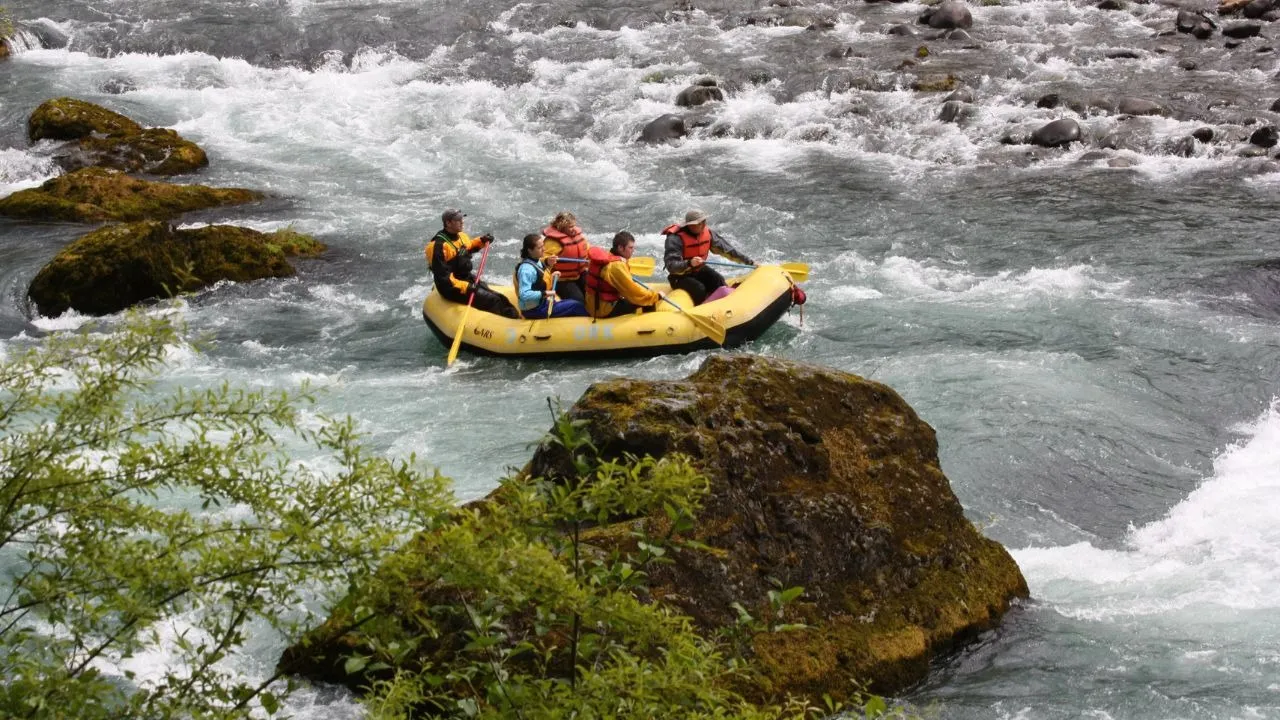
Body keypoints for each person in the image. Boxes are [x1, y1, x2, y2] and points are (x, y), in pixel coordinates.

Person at [425, 208, 519, 319]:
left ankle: (515, 318)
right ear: (448, 223)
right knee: (493, 300)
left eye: (462, 219)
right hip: (451, 288)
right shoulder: (437, 247)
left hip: (465, 278)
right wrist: (467, 287)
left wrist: (482, 241)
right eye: (458, 220)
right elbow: (444, 279)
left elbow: (470, 246)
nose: (462, 222)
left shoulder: (461, 236)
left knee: (500, 297)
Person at [661, 209, 754, 305]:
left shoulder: (708, 233)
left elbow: (728, 250)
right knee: (699, 289)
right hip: (679, 277)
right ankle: (700, 309)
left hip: (698, 270)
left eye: (704, 221)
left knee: (719, 280)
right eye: (700, 222)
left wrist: (750, 262)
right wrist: (689, 263)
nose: (704, 224)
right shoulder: (675, 238)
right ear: (690, 225)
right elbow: (671, 266)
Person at [585, 231, 664, 318]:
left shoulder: (608, 256)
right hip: (604, 310)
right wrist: (656, 297)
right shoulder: (616, 266)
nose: (633, 251)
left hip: (593, 305)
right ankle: (649, 327)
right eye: (630, 248)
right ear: (620, 248)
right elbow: (634, 293)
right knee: (647, 301)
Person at [514, 233, 588, 319]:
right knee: (576, 305)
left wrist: (551, 273)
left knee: (573, 302)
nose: (544, 249)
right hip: (534, 310)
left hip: (542, 303)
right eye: (539, 248)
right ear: (530, 250)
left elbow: (539, 280)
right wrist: (545, 293)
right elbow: (524, 295)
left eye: (543, 246)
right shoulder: (526, 270)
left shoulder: (535, 260)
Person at [541, 211, 589, 304]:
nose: (573, 229)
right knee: (578, 300)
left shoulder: (578, 237)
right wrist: (547, 260)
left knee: (594, 293)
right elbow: (540, 259)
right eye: (570, 227)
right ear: (562, 227)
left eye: (574, 226)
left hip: (580, 274)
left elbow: (587, 250)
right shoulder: (552, 242)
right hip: (562, 279)